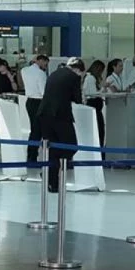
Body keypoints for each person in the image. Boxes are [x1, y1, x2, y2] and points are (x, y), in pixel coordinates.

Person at [37, 57, 85, 193]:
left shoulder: (54, 73)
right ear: (78, 69)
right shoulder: (74, 77)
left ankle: (52, 180)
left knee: (53, 148)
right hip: (60, 116)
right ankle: (52, 170)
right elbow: (77, 98)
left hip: (44, 115)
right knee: (71, 145)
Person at [21, 55, 49, 163]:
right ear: (41, 61)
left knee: (34, 129)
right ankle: (32, 155)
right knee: (37, 130)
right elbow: (43, 92)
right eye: (45, 63)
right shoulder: (40, 74)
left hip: (29, 102)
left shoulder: (24, 70)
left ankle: (31, 154)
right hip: (39, 102)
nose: (46, 66)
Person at [83, 60, 106, 154]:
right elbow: (93, 94)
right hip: (94, 106)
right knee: (99, 130)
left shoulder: (88, 77)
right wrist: (103, 89)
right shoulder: (91, 78)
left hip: (94, 106)